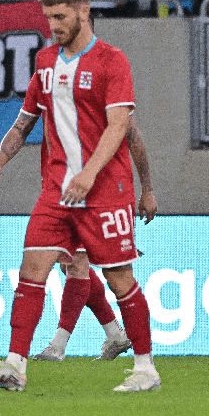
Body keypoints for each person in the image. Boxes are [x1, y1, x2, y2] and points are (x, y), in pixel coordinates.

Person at [0, 0, 160, 392]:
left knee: (119, 280)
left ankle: (145, 368)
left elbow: (120, 129)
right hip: (56, 190)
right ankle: (15, 364)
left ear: (83, 10)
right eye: (48, 18)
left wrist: (91, 175)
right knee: (31, 269)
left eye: (59, 17)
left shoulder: (113, 61)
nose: (53, 26)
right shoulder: (45, 63)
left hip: (104, 190)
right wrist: (0, 160)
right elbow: (25, 121)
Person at [33, 118, 157, 362]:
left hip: (105, 195)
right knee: (69, 262)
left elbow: (132, 134)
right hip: (70, 191)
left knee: (81, 265)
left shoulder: (109, 97)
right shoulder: (59, 95)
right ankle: (115, 335)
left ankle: (58, 346)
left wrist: (148, 189)